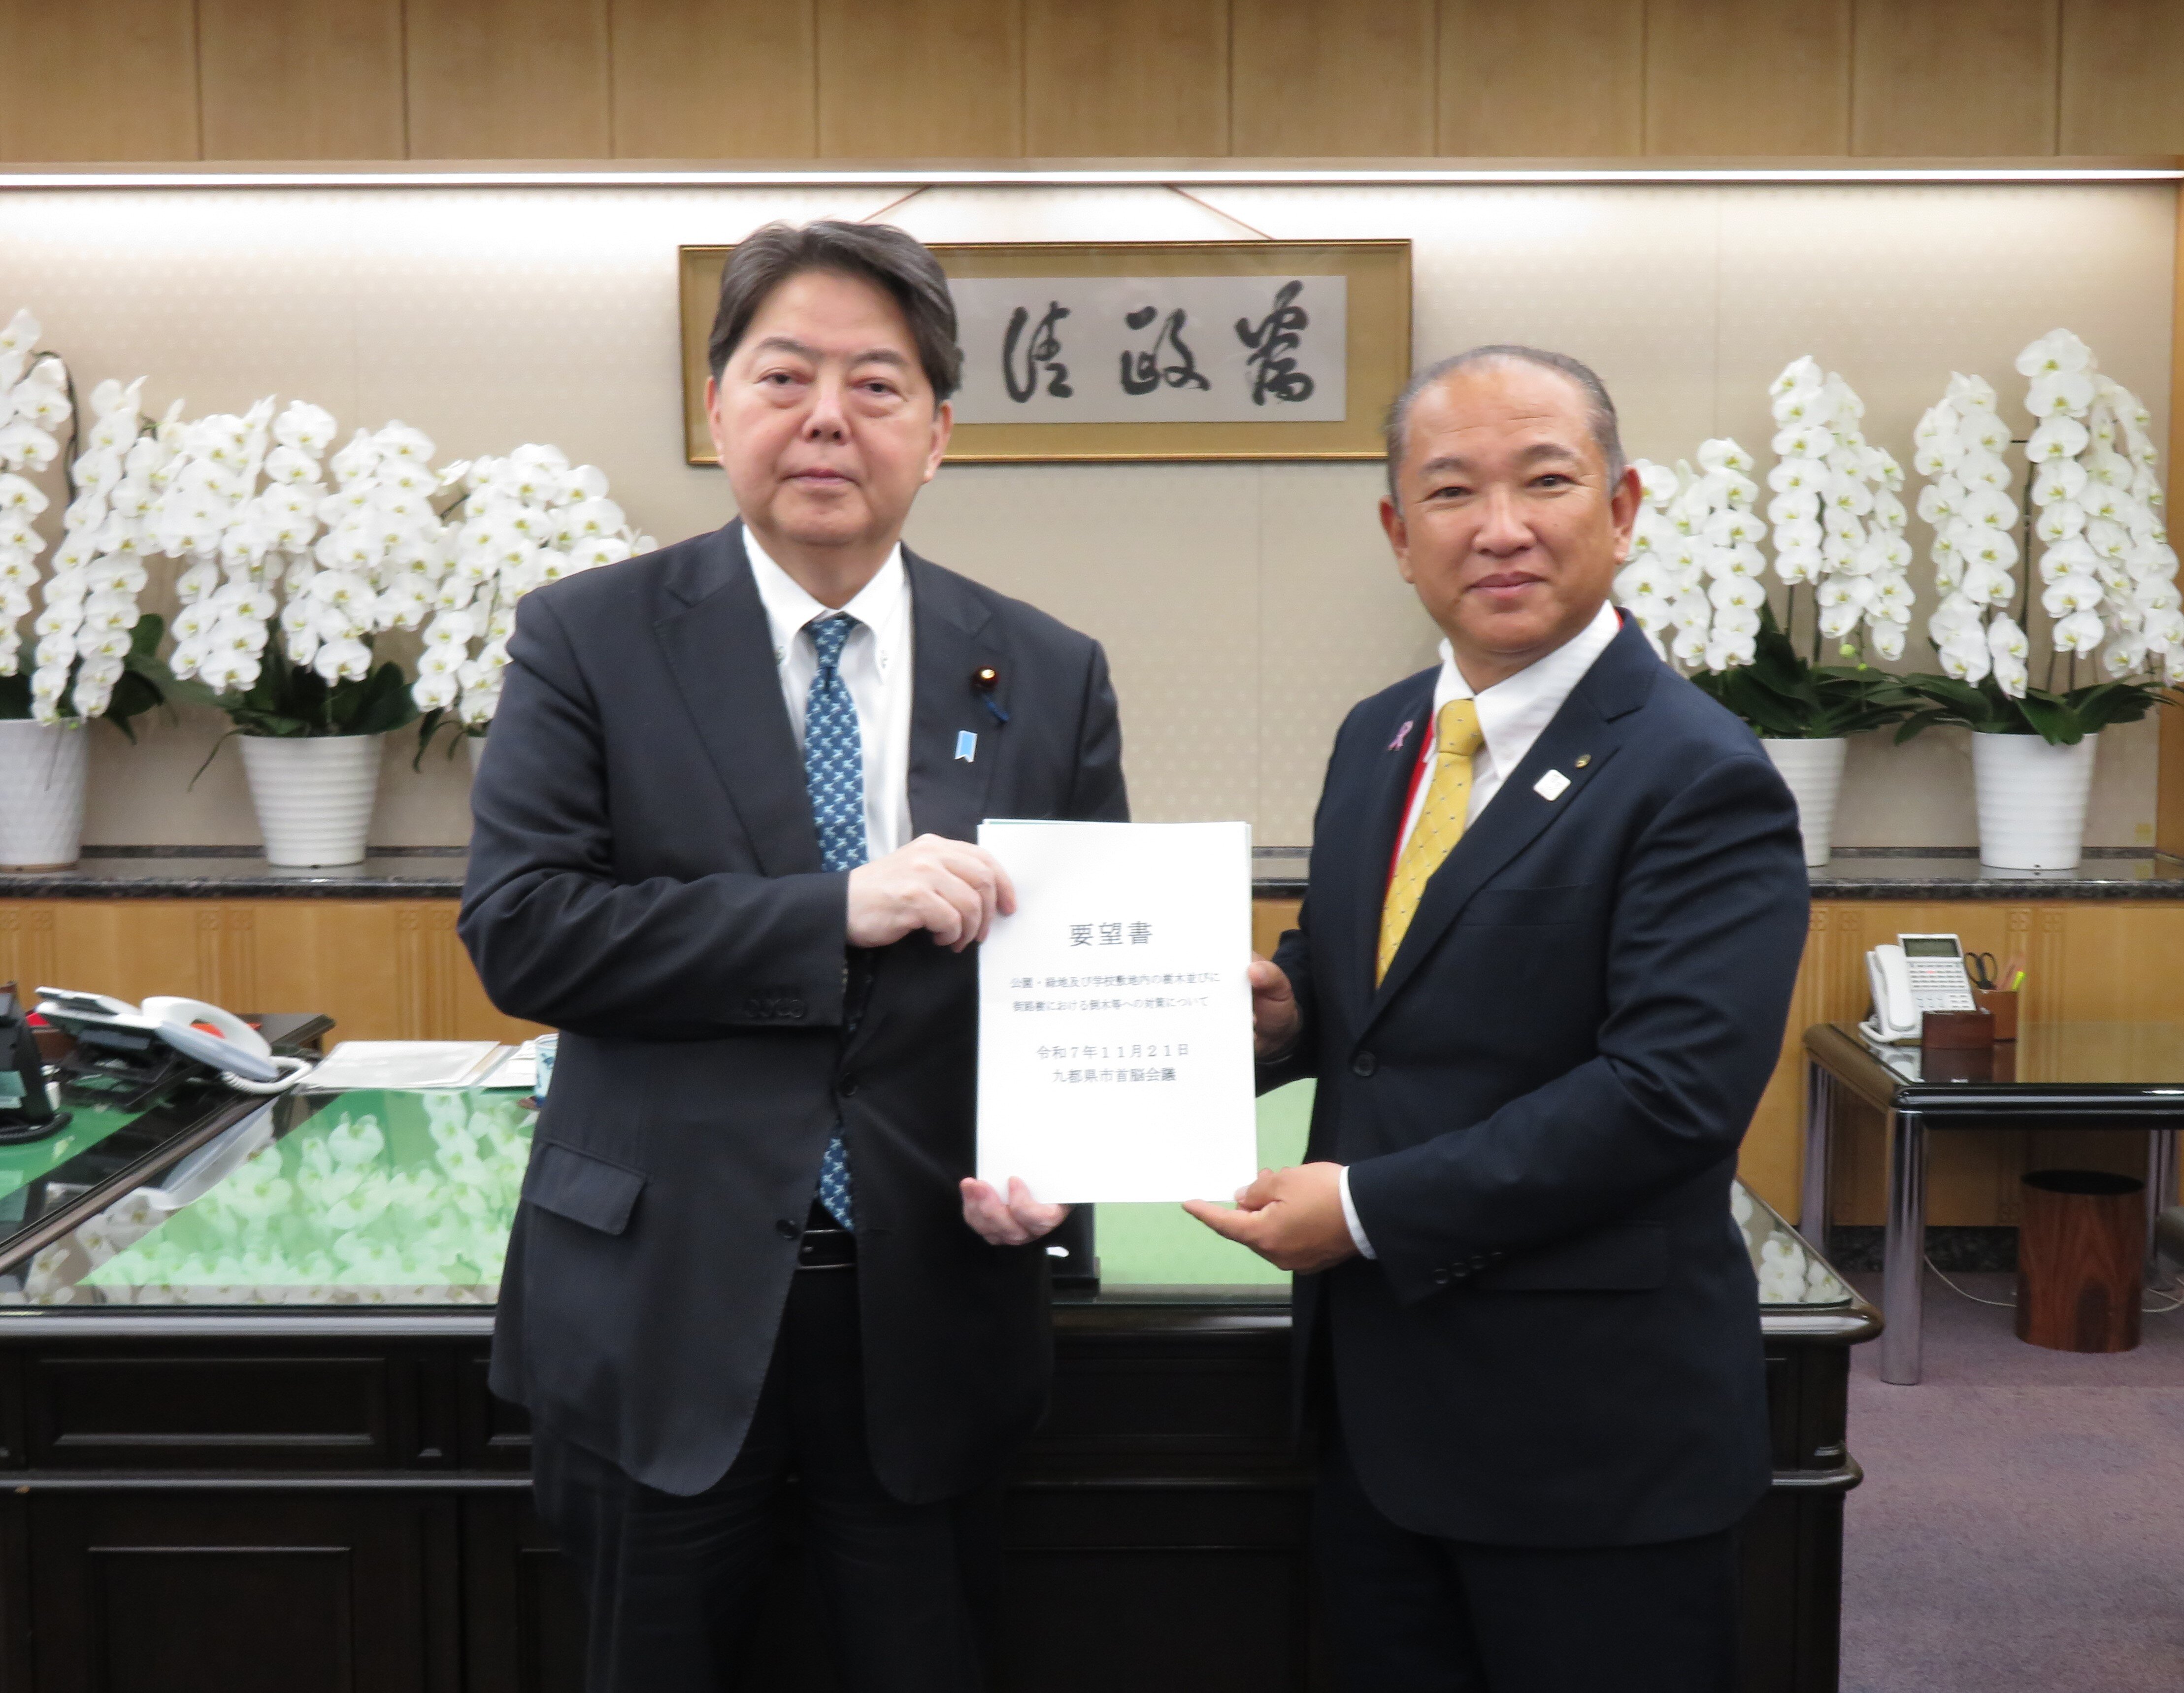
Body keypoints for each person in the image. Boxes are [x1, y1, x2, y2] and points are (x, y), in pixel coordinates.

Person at [461, 219, 1127, 1693]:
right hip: (658, 1306)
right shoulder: (587, 639)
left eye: (877, 386)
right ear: (718, 412)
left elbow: (1070, 975)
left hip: (933, 1306)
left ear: (939, 432)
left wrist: (1067, 1165)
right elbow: (524, 930)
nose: (828, 418)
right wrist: (834, 907)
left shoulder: (1047, 666)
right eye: (786, 376)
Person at [1187, 346, 1809, 1692]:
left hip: (1585, 1439)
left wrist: (1359, 1211)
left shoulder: (1700, 773)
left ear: (1624, 508)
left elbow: (1667, 1095)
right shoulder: (1380, 736)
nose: (1501, 527)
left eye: (1545, 481)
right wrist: (1286, 1013)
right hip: (1377, 1411)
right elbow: (1370, 992)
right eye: (1452, 492)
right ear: (1397, 535)